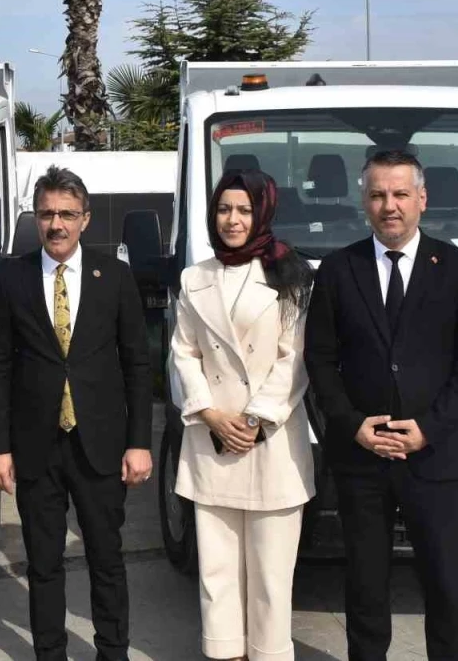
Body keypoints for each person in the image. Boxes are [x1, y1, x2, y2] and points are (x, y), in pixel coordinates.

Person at [304, 150, 458, 661]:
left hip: (436, 456)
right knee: (365, 585)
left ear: (422, 199)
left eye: (400, 194)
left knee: (447, 585)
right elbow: (319, 360)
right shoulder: (338, 269)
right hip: (361, 458)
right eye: (378, 195)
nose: (390, 206)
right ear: (364, 202)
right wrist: (351, 425)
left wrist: (429, 428)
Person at [0, 165, 153, 661]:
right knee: (43, 564)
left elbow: (138, 364)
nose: (56, 224)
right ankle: (50, 653)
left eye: (66, 214)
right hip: (36, 446)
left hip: (99, 445)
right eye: (46, 214)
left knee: (106, 558)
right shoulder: (13, 276)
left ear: (85, 219)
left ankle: (112, 651)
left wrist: (139, 442)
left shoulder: (114, 276)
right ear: (35, 218)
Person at [170, 168, 315, 661]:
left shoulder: (289, 273)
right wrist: (209, 413)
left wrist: (254, 421)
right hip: (211, 440)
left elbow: (294, 359)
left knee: (272, 575)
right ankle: (224, 653)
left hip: (272, 443)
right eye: (224, 209)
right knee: (217, 573)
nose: (232, 220)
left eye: (245, 210)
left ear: (263, 213)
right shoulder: (194, 277)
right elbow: (184, 352)